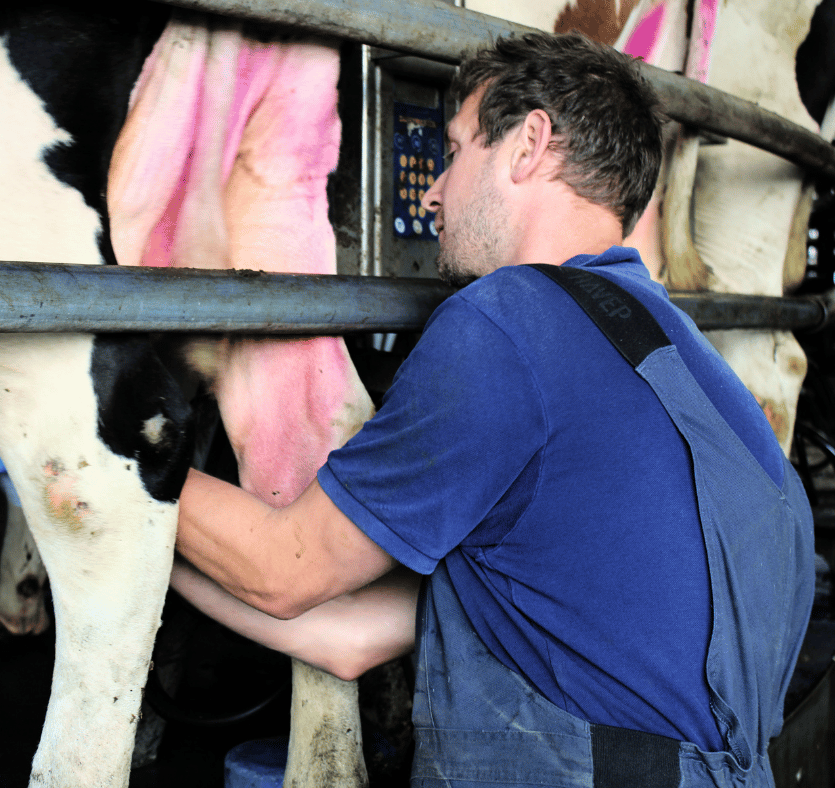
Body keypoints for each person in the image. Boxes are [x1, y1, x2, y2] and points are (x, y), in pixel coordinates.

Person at [171, 30, 815, 788]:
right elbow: (346, 638)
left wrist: (114, 458)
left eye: (453, 150)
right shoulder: (683, 359)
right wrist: (124, 535)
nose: (433, 191)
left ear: (529, 144)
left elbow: (285, 568)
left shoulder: (510, 323)